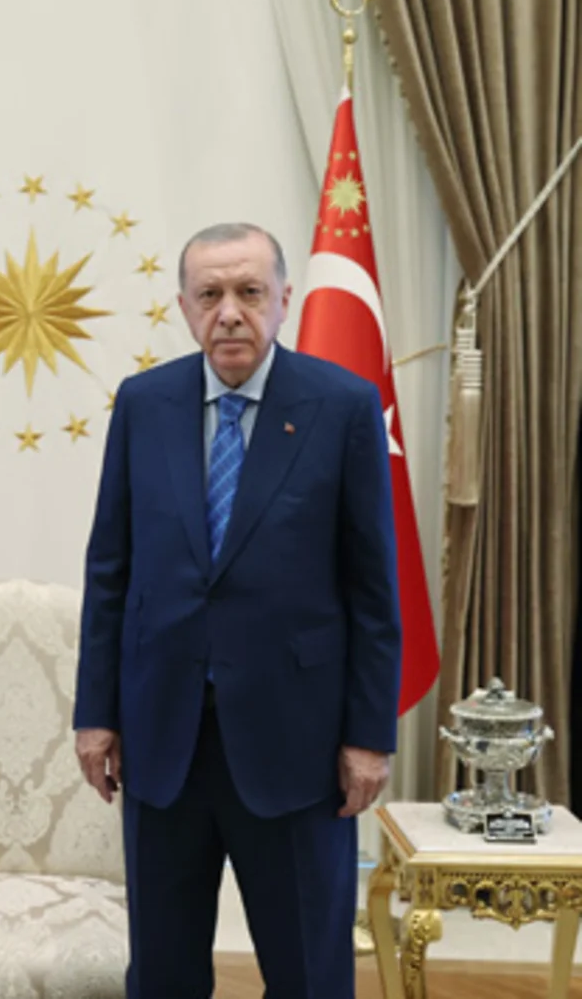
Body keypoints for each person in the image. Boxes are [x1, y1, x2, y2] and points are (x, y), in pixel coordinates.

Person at [73, 223, 401, 998]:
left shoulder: (343, 406)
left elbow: (371, 590)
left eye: (249, 293)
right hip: (162, 744)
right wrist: (96, 713)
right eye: (210, 294)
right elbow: (110, 572)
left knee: (309, 975)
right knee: (162, 973)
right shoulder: (144, 404)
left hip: (300, 746)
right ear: (184, 307)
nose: (230, 313)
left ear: (282, 300)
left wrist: (368, 736)